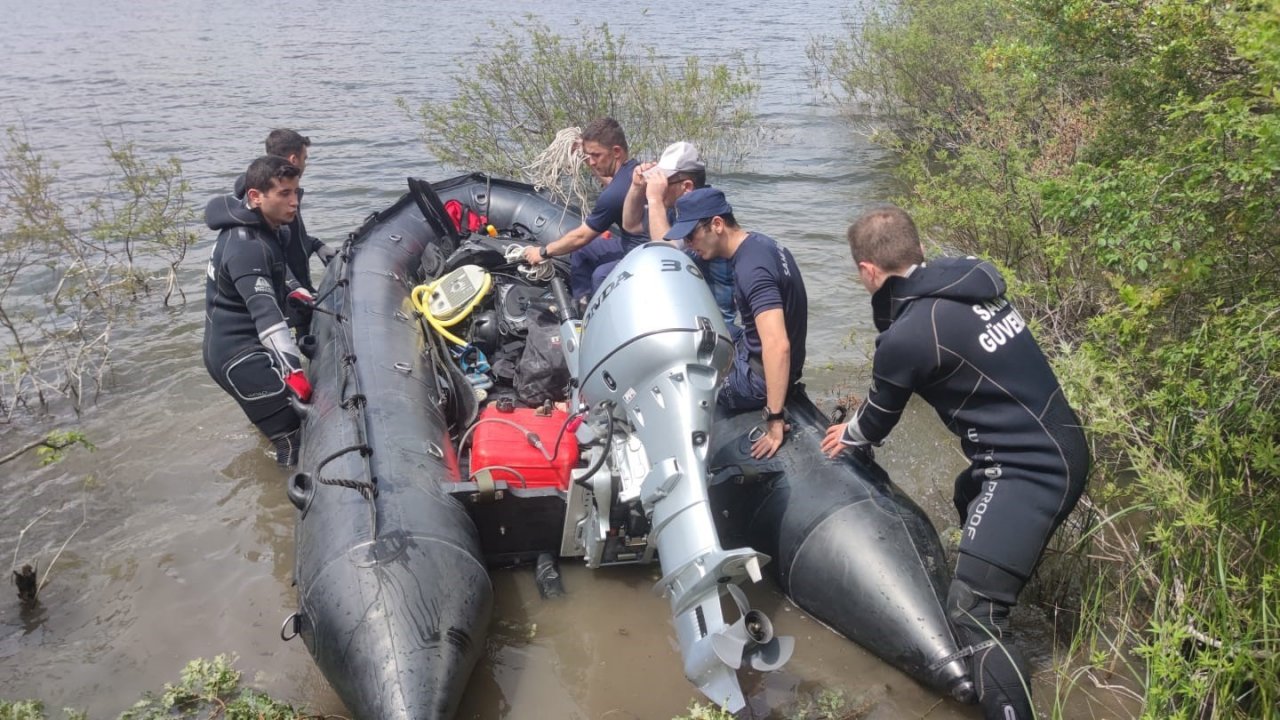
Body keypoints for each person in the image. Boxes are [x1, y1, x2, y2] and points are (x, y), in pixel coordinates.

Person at [820, 205, 1090, 720]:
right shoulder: (967, 282)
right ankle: (1002, 592)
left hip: (1031, 470)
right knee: (967, 494)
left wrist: (845, 435)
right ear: (918, 251)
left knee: (975, 614)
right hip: (1060, 441)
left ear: (867, 272)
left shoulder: (911, 334)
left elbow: (876, 422)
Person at [664, 187, 808, 460]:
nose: (689, 242)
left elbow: (778, 345)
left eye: (691, 235)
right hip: (751, 349)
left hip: (758, 379)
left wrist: (774, 419)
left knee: (683, 373)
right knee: (697, 330)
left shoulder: (751, 270)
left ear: (716, 224)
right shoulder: (760, 244)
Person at [203, 156, 313, 467]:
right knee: (292, 437)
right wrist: (294, 373)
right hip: (240, 358)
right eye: (284, 194)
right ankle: (284, 500)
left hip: (243, 348)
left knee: (281, 423)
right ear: (255, 197)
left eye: (296, 192)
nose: (294, 203)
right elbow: (267, 317)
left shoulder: (269, 227)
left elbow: (278, 270)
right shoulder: (245, 246)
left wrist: (296, 290)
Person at [521, 117, 648, 302]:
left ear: (617, 152)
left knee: (601, 275)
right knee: (582, 252)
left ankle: (596, 316)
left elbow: (581, 236)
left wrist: (542, 252)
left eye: (596, 155)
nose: (593, 162)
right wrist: (588, 158)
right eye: (589, 157)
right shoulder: (632, 171)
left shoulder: (613, 195)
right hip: (634, 244)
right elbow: (613, 184)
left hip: (641, 255)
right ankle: (582, 302)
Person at [621, 141, 737, 331]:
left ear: (687, 186)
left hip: (715, 325)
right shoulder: (677, 207)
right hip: (687, 308)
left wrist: (654, 198)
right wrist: (636, 187)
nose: (657, 186)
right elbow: (631, 225)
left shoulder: (704, 214)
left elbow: (667, 255)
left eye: (664, 182)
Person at [233, 129, 336, 332]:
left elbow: (292, 238)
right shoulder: (268, 202)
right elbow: (271, 250)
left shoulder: (283, 194)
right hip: (282, 293)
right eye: (305, 158)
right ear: (293, 159)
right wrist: (296, 287)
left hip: (298, 287)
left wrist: (316, 245)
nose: (306, 164)